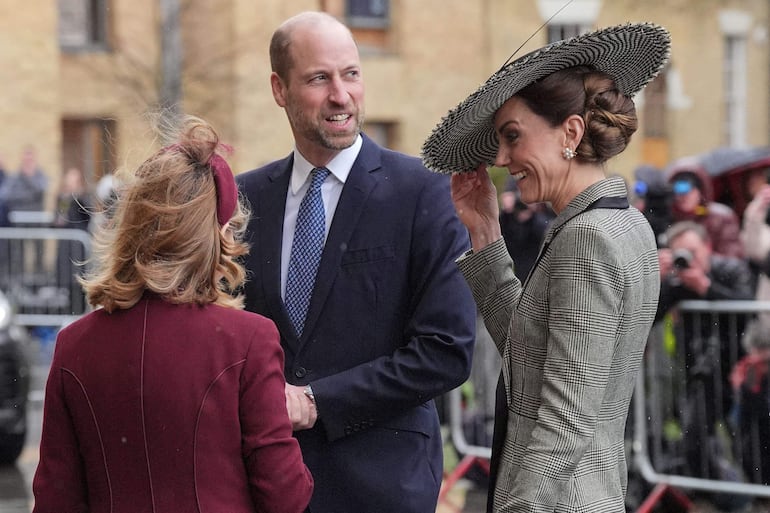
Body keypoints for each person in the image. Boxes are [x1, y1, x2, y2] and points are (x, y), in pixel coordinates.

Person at [421, 23, 669, 512]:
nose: (501, 157)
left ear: (570, 133)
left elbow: (566, 416)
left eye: (513, 136)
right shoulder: (624, 224)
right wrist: (486, 233)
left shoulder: (587, 238)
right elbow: (533, 355)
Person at [235, 11, 476, 513]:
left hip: (383, 485)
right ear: (279, 89)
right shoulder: (246, 200)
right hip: (267, 484)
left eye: (351, 74)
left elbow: (445, 351)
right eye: (319, 78)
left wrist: (315, 401)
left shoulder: (422, 192)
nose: (341, 95)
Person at [32, 116, 313, 513]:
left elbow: (55, 498)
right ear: (217, 237)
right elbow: (285, 495)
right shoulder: (248, 340)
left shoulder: (74, 345)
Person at [655, 220, 754, 497]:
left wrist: (706, 288)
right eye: (681, 254)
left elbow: (748, 308)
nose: (689, 260)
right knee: (695, 438)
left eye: (693, 251)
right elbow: (651, 316)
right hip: (702, 371)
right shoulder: (679, 280)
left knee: (749, 440)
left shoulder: (731, 269)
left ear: (708, 246)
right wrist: (657, 279)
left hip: (740, 368)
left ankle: (755, 494)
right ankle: (724, 497)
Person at [665, 164, 744, 258]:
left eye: (688, 190)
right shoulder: (667, 218)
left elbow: (734, 260)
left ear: (701, 191)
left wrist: (701, 258)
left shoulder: (721, 218)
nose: (683, 196)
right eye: (677, 191)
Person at [52, 166, 94, 315]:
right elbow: (59, 219)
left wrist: (76, 197)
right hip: (66, 246)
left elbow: (88, 215)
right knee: (66, 280)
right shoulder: (63, 198)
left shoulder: (83, 197)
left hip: (78, 246)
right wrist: (65, 199)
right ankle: (71, 312)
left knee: (80, 280)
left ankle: (80, 311)